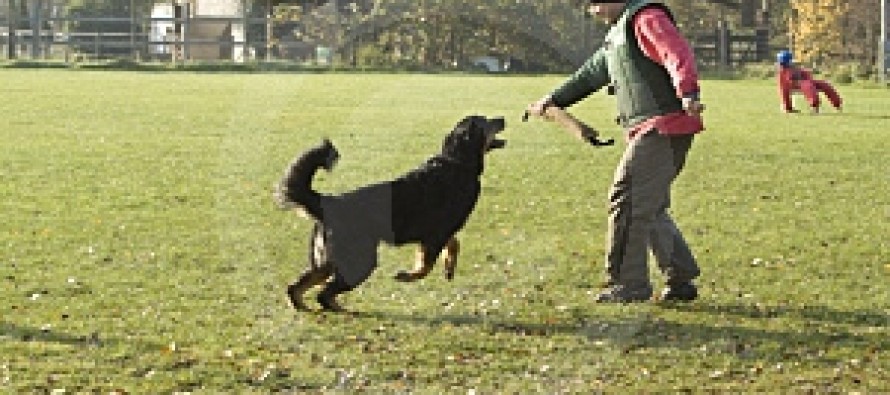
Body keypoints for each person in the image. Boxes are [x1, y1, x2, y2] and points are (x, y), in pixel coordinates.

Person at [526, 0, 704, 303]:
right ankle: (680, 278)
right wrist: (552, 100)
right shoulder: (618, 35)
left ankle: (628, 283)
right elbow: (589, 75)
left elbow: (675, 51)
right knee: (649, 205)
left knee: (627, 198)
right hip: (657, 128)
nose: (590, 7)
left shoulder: (646, 18)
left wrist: (687, 91)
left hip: (663, 126)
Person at [776, 50, 843, 114]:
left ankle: (837, 104)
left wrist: (807, 75)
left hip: (805, 82)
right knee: (807, 86)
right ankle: (814, 106)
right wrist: (787, 107)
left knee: (824, 84)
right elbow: (785, 89)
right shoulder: (783, 72)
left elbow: (804, 74)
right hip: (795, 85)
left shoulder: (793, 67)